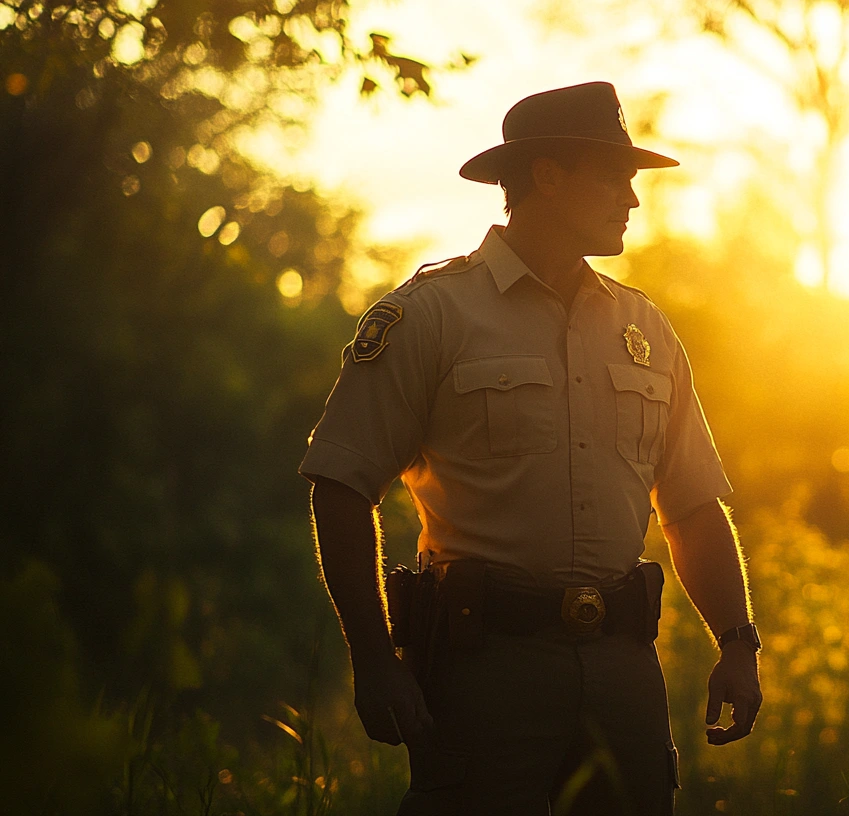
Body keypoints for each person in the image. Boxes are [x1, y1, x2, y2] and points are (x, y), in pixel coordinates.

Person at [300, 81, 762, 814]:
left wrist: (738, 642)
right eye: (613, 176)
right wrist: (373, 658)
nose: (632, 201)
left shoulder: (645, 329)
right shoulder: (428, 316)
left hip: (622, 675)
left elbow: (693, 505)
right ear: (547, 175)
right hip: (484, 673)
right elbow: (341, 484)